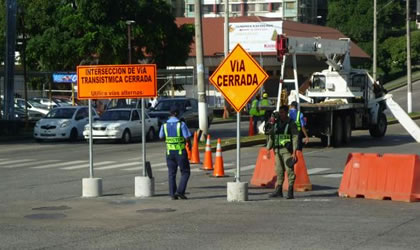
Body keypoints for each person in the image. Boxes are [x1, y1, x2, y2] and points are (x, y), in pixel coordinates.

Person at [265, 105, 299, 199]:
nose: (281, 114)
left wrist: (294, 152)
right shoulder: (276, 123)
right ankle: (279, 190)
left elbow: (295, 138)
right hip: (277, 150)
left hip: (287, 150)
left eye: (282, 112)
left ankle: (290, 190)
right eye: (280, 112)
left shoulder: (291, 123)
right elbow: (272, 136)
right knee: (279, 170)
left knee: (289, 170)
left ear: (286, 112)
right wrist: (268, 149)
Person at [159, 106, 192, 200]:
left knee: (171, 173)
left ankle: (172, 194)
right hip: (180, 152)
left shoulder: (164, 125)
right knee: (185, 172)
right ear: (177, 114)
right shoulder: (181, 124)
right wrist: (189, 145)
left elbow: (161, 136)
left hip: (169, 152)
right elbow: (187, 137)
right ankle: (180, 192)